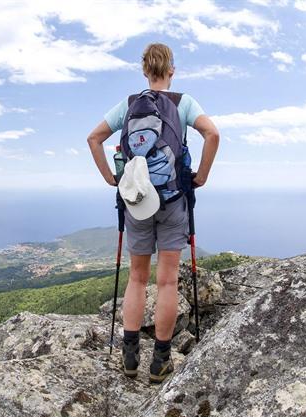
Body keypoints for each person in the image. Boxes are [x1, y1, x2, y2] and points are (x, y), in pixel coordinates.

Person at [86, 43, 220, 383]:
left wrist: (111, 179)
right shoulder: (182, 103)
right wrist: (201, 175)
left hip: (138, 202)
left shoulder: (130, 105)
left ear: (144, 71)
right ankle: (160, 362)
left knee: (137, 278)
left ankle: (129, 357)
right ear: (171, 71)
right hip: (174, 201)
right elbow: (212, 134)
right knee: (167, 282)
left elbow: (94, 138)